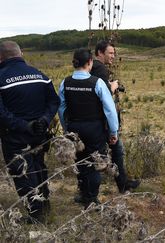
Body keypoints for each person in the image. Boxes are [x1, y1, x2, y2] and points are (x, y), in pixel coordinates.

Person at [0, 41, 59, 223]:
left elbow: (1, 113)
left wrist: (25, 125)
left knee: (22, 172)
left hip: (15, 136)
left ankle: (36, 216)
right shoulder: (40, 75)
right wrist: (44, 120)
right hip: (40, 133)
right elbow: (54, 101)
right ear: (21, 54)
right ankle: (44, 203)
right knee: (39, 166)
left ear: (1, 57)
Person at [58, 48, 119, 209]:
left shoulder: (65, 82)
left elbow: (62, 108)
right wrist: (113, 131)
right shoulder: (97, 83)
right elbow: (109, 109)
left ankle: (84, 194)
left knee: (80, 161)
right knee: (94, 162)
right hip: (94, 128)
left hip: (74, 127)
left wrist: (66, 129)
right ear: (90, 62)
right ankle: (91, 200)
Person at [89, 40, 140, 194]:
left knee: (108, 152)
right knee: (113, 151)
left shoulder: (92, 68)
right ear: (99, 53)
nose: (113, 56)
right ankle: (120, 185)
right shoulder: (100, 68)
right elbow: (105, 94)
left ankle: (121, 183)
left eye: (113, 53)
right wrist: (114, 85)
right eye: (110, 53)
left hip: (92, 119)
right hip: (101, 119)